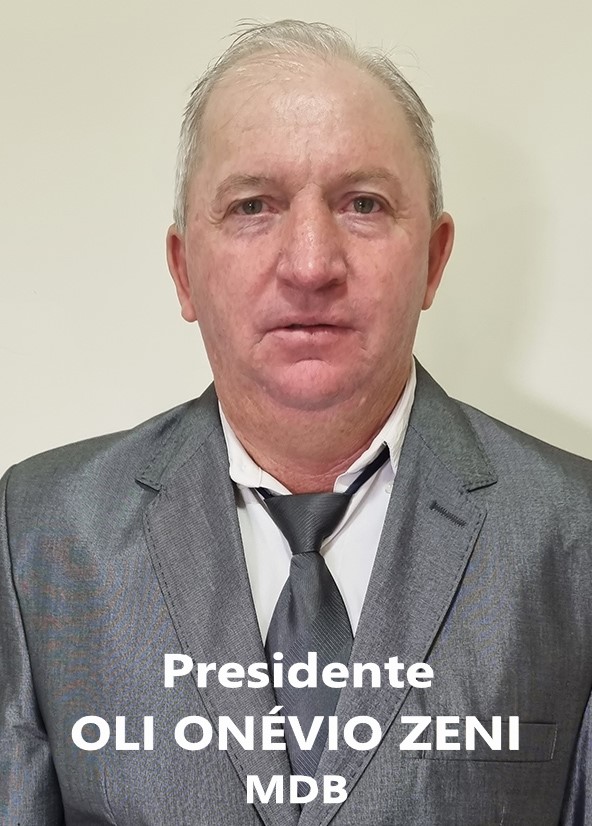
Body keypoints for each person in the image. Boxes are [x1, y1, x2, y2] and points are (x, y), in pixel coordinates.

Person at [1, 19, 590, 826]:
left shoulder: (574, 535)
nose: (311, 264)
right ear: (183, 269)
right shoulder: (38, 536)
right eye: (253, 206)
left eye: (363, 204)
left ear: (434, 259)